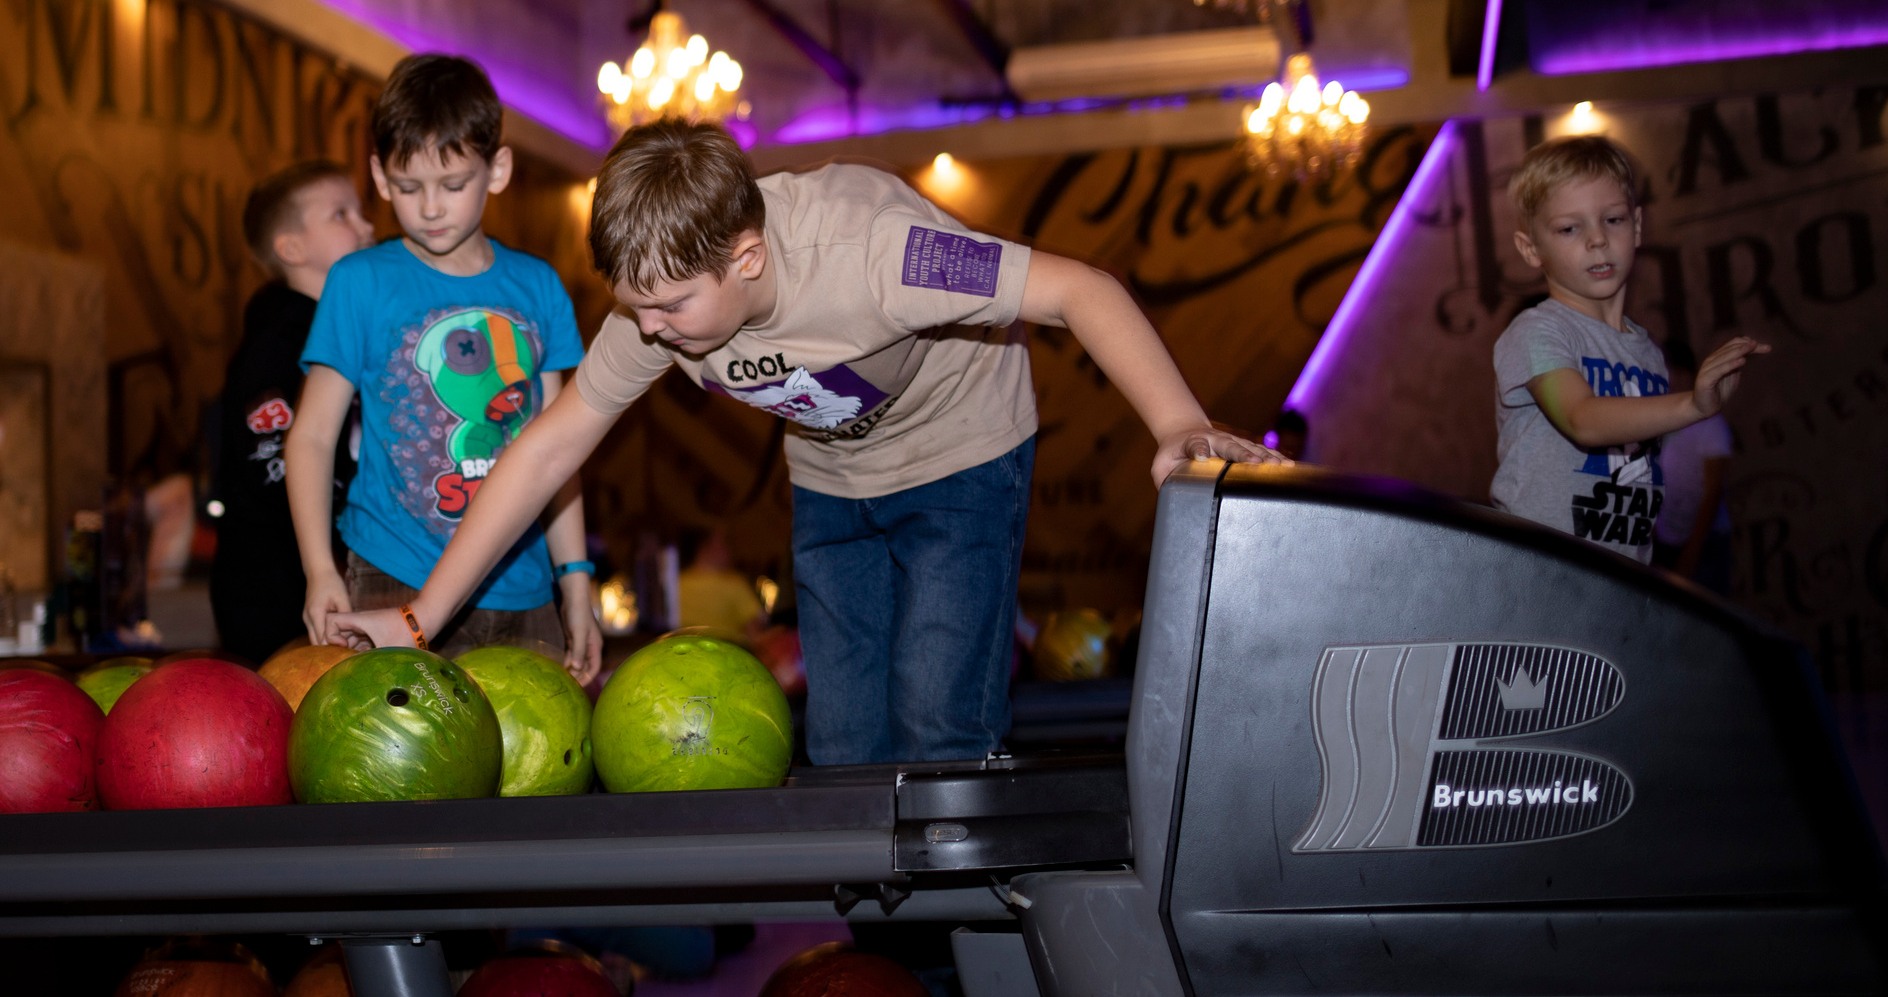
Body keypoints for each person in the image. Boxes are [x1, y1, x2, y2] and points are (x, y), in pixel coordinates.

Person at [329, 119, 1273, 764]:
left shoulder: (878, 253)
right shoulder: (657, 305)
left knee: (939, 719)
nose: (648, 330)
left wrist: (1175, 422)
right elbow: (544, 451)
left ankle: (959, 967)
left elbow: (1079, 290)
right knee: (845, 742)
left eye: (669, 307)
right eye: (635, 307)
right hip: (832, 473)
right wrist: (417, 620)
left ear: (746, 258)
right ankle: (881, 972)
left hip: (963, 450)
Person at [289, 54, 601, 678]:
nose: (430, 208)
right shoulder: (359, 281)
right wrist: (320, 570)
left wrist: (575, 578)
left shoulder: (538, 287)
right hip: (391, 575)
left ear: (498, 170)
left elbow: (558, 452)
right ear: (380, 177)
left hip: (524, 586)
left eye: (453, 185)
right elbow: (313, 436)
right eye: (408, 188)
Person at [1491, 134, 1765, 559]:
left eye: (1613, 219)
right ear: (1531, 249)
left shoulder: (1648, 353)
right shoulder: (1536, 332)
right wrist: (1692, 405)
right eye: (1569, 228)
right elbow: (1582, 419)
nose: (1597, 239)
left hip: (1621, 575)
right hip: (1542, 569)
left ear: (1637, 226)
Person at [210, 160, 374, 662]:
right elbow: (273, 462)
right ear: (292, 249)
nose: (366, 225)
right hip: (274, 587)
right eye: (341, 214)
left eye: (360, 211)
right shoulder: (278, 343)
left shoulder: (339, 327)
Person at [1651, 340, 1735, 593]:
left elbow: (1713, 492)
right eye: (1667, 371)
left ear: (1692, 374)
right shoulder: (1659, 418)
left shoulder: (1710, 424)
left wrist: (1692, 550)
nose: (1673, 379)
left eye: (1678, 372)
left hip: (1705, 543)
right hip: (1665, 539)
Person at [675, 525, 765, 641]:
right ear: (705, 547)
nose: (729, 550)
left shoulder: (676, 584)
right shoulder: (734, 584)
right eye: (724, 543)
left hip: (680, 651)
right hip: (726, 650)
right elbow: (755, 636)